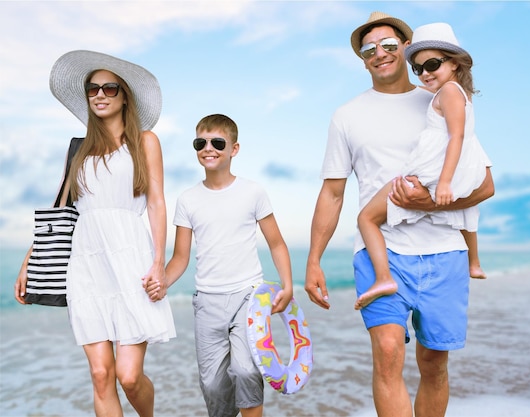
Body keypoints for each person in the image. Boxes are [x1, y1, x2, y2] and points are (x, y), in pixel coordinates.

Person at [304, 12, 494, 417]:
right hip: (380, 252)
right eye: (369, 49)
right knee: (388, 352)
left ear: (407, 47)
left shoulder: (443, 98)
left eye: (389, 45)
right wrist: (314, 259)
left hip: (443, 251)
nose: (380, 54)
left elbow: (484, 184)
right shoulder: (347, 115)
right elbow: (333, 192)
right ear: (361, 58)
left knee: (433, 363)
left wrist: (430, 202)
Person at [14, 50, 176, 417]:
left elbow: (157, 204)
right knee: (101, 374)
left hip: (131, 262)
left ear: (124, 96)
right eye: (92, 89)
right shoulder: (78, 149)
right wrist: (29, 263)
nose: (100, 94)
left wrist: (158, 263)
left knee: (129, 375)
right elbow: (60, 213)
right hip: (84, 266)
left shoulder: (145, 141)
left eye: (109, 88)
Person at [145, 114, 293, 417]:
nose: (208, 148)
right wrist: (162, 282)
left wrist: (288, 286)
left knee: (246, 372)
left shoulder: (253, 192)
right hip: (207, 302)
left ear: (234, 149)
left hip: (248, 298)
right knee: (213, 386)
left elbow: (276, 242)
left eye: (217, 142)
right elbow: (181, 258)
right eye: (201, 142)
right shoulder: (187, 199)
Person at [356, 22, 490, 310]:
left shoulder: (449, 92)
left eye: (431, 64)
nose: (425, 73)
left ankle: (383, 278)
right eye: (418, 68)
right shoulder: (457, 92)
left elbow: (457, 136)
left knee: (367, 218)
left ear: (454, 63)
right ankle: (474, 263)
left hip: (431, 171)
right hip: (454, 169)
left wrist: (443, 182)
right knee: (466, 210)